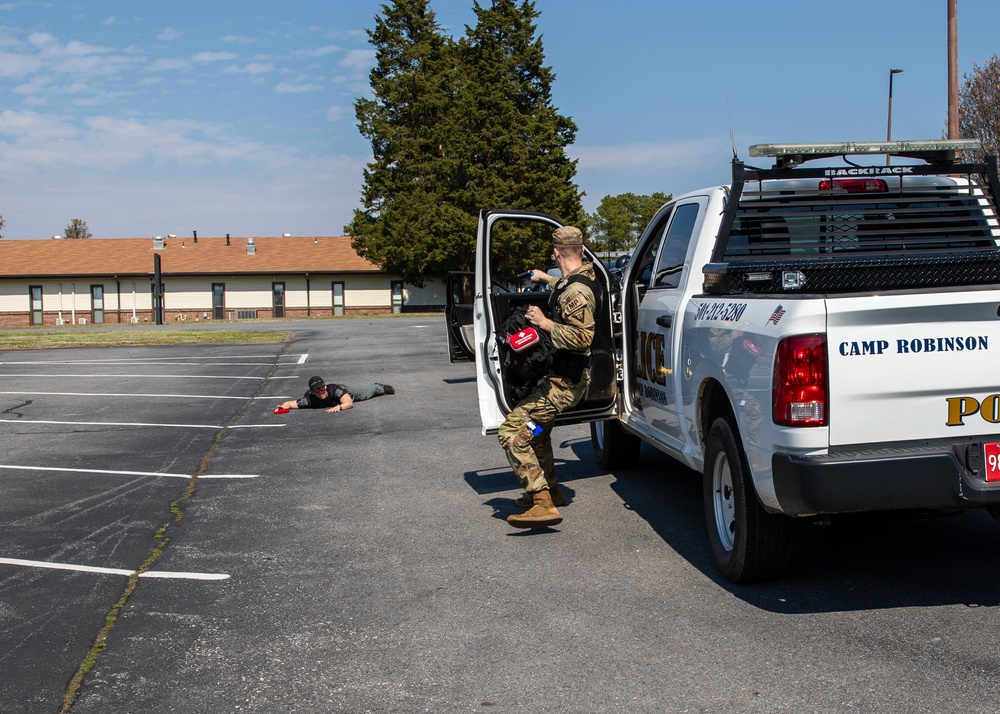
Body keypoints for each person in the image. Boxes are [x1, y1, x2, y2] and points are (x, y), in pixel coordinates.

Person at [498, 225, 599, 529]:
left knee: (512, 433)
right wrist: (545, 278)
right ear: (581, 250)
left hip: (564, 385)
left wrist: (544, 323)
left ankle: (542, 502)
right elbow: (568, 283)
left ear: (556, 253)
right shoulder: (585, 277)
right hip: (562, 379)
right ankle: (552, 490)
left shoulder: (576, 293)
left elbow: (583, 338)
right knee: (538, 431)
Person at [277, 376, 395, 414]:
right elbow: (290, 404)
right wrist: (283, 407)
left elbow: (348, 403)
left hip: (346, 390)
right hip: (334, 392)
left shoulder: (335, 390)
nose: (320, 392)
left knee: (365, 393)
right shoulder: (310, 399)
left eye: (322, 388)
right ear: (313, 392)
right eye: (317, 391)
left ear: (325, 386)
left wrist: (338, 407)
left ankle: (379, 386)